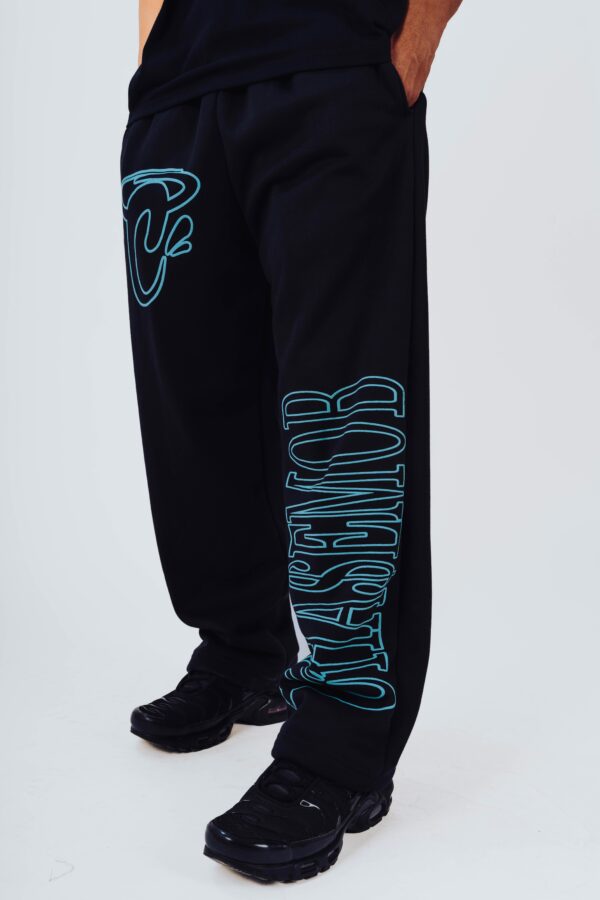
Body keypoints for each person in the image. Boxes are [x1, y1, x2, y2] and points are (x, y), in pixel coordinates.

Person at [121, 0, 462, 883]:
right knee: (192, 400)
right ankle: (243, 652)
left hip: (335, 64)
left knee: (342, 409)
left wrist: (413, 39)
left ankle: (344, 746)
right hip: (180, 91)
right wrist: (155, 49)